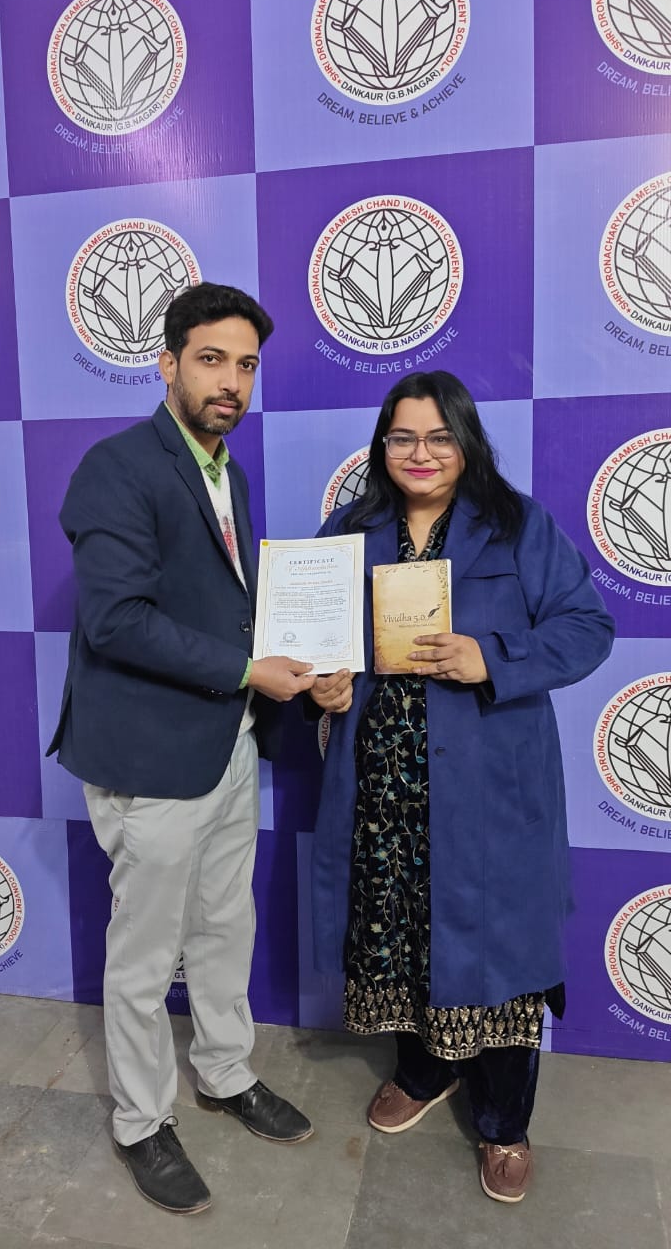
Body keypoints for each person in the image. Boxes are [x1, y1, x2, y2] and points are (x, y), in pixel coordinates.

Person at [308, 371, 614, 1204]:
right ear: (382, 445)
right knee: (402, 936)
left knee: (500, 950)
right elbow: (314, 644)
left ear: (467, 442)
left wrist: (494, 657)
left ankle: (504, 1120)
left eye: (440, 437)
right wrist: (321, 686)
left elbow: (588, 627)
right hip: (384, 793)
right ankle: (423, 1069)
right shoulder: (349, 532)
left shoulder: (517, 526)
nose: (422, 453)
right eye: (403, 437)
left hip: (489, 791)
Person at [48, 283, 317, 1215]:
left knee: (224, 926)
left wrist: (293, 664)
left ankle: (225, 1072)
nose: (230, 381)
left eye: (246, 365)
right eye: (210, 360)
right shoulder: (116, 467)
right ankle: (139, 1122)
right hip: (151, 755)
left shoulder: (227, 473)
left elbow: (222, 605)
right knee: (144, 951)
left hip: (227, 742)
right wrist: (248, 670)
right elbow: (117, 621)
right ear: (167, 363)